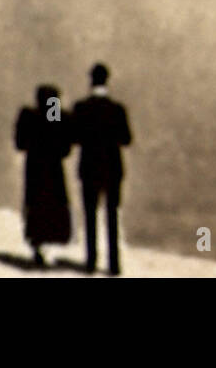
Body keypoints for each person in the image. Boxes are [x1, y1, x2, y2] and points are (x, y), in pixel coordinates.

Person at [71, 63, 132, 276]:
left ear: (91, 80)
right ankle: (114, 264)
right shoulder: (118, 109)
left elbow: (74, 137)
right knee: (112, 216)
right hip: (113, 167)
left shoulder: (81, 107)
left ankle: (91, 261)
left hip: (89, 166)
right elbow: (126, 139)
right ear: (107, 80)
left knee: (90, 215)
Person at [13, 84, 72, 266]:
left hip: (34, 166)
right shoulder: (52, 113)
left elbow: (20, 143)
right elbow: (61, 142)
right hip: (53, 167)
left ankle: (38, 243)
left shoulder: (28, 115)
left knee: (35, 204)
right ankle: (48, 245)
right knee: (53, 205)